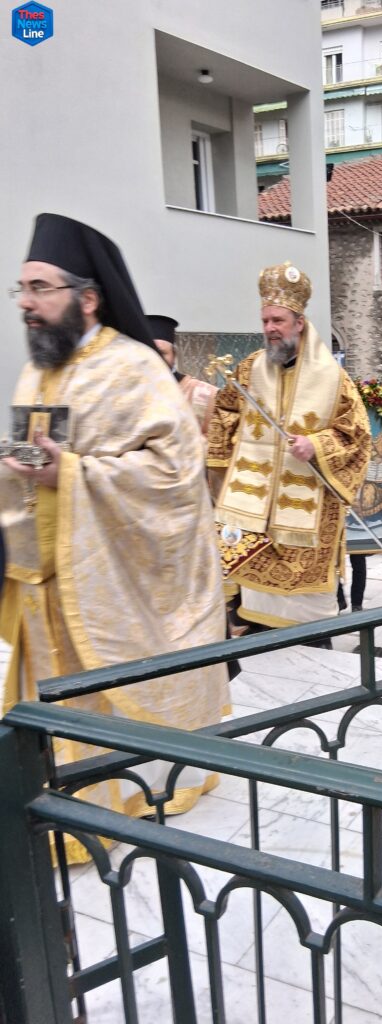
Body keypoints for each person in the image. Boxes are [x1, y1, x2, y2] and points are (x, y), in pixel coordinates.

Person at [0, 213, 229, 859]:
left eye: (40, 288)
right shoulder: (36, 372)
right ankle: (48, 809)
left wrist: (71, 475)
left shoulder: (133, 369)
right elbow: (30, 461)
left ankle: (106, 811)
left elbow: (175, 475)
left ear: (88, 297)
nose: (26, 303)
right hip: (44, 584)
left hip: (106, 586)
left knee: (100, 706)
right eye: (21, 288)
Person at [207, 262, 371, 634]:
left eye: (278, 320)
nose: (270, 328)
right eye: (265, 321)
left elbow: (357, 437)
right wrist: (229, 457)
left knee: (305, 627)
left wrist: (318, 444)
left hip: (306, 521)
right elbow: (224, 412)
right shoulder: (249, 369)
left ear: (299, 322)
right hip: (251, 514)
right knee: (251, 617)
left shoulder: (334, 378)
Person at [148, 314, 219, 440]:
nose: (155, 359)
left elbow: (220, 443)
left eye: (162, 353)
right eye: (148, 353)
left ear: (174, 355)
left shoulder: (207, 395)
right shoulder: (129, 396)